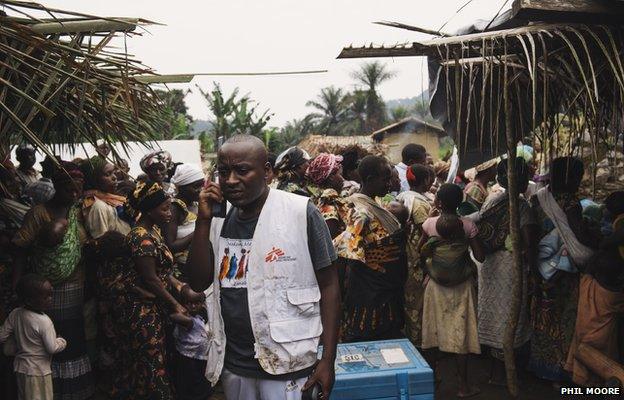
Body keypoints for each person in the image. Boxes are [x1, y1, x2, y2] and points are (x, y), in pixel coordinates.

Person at [186, 135, 340, 400]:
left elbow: (330, 285)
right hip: (234, 365)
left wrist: (328, 360)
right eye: (224, 172)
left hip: (289, 366)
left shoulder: (300, 212)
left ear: (267, 172)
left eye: (242, 170)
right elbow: (198, 282)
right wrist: (202, 221)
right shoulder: (216, 217)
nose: (231, 180)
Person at [12, 162, 95, 400]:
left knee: (72, 336)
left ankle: (74, 389)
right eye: (69, 189)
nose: (75, 194)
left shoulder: (79, 211)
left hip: (76, 285)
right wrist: (18, 285)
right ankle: (50, 390)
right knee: (48, 338)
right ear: (57, 187)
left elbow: (85, 246)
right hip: (45, 289)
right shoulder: (39, 213)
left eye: (78, 189)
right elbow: (20, 249)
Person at [113, 181, 196, 399]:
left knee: (156, 360)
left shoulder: (154, 231)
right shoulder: (141, 237)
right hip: (141, 312)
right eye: (165, 208)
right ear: (149, 210)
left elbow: (162, 272)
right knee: (151, 363)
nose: (169, 213)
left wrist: (180, 287)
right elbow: (151, 279)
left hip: (154, 305)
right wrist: (176, 304)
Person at [528, 157, 596, 382]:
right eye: (578, 177)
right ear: (571, 178)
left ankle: (541, 367)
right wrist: (601, 240)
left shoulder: (538, 198)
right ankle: (563, 372)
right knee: (566, 317)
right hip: (564, 272)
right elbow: (579, 234)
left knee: (542, 316)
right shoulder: (570, 202)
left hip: (541, 267)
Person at [418, 183, 484, 398]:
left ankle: (431, 381)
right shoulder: (467, 226)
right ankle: (463, 386)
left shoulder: (428, 224)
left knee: (432, 332)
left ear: (438, 202)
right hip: (462, 285)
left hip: (435, 285)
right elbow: (480, 256)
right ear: (460, 202)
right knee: (460, 332)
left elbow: (421, 251)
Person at [476, 158, 537, 384]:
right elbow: (529, 243)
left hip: (489, 265)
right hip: (511, 268)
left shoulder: (491, 200)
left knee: (493, 315)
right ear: (521, 180)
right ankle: (506, 374)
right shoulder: (522, 206)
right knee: (510, 316)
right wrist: (534, 271)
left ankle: (494, 371)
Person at [334, 155, 407, 342]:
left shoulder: (376, 205)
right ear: (369, 180)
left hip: (385, 292)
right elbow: (345, 256)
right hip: (369, 295)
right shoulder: (361, 212)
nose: (390, 183)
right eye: (386, 179)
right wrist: (338, 300)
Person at [79, 156, 131, 393]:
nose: (114, 177)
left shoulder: (109, 202)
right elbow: (103, 245)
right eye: (108, 174)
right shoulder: (97, 206)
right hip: (111, 276)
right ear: (93, 178)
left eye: (114, 173)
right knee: (110, 331)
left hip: (118, 273)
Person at [0, 274, 67, 400]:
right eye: (46, 296)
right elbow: (51, 348)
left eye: (50, 294)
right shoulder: (44, 321)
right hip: (39, 372)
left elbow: (2, 336)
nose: (50, 299)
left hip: (21, 369)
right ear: (30, 300)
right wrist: (61, 341)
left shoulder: (15, 313)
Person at [564, 250, 624, 386]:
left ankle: (580, 385)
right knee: (599, 367)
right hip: (601, 338)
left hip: (582, 332)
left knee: (582, 363)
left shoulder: (586, 281)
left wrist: (603, 249)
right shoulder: (614, 296)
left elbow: (589, 268)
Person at [397, 164, 433, 347]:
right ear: (426, 180)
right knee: (417, 305)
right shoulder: (419, 203)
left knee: (409, 301)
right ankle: (418, 344)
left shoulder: (402, 196)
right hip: (417, 259)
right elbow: (426, 233)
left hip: (405, 256)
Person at [164, 163, 204, 278]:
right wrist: (200, 229)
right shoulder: (174, 207)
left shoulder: (196, 203)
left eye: (202, 185)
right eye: (196, 186)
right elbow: (171, 245)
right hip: (182, 270)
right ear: (182, 187)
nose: (200, 190)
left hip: (198, 265)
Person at [306, 153, 349, 239]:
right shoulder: (328, 204)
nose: (343, 179)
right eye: (340, 174)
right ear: (331, 177)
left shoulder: (323, 199)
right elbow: (331, 240)